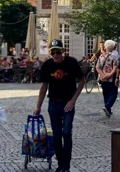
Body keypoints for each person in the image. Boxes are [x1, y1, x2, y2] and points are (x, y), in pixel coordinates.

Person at [33, 39, 85, 172]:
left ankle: (66, 166)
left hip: (68, 103)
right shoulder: (47, 65)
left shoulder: (72, 62)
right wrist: (38, 106)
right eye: (52, 52)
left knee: (66, 132)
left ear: (63, 51)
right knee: (56, 135)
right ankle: (60, 164)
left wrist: (73, 100)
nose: (55, 55)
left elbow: (82, 81)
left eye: (57, 52)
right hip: (54, 103)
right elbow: (44, 86)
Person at [95, 39, 119, 117]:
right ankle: (107, 107)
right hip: (111, 78)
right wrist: (109, 75)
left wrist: (102, 75)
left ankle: (108, 110)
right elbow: (115, 68)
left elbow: (97, 67)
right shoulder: (113, 57)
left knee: (106, 93)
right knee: (114, 94)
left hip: (103, 78)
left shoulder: (101, 56)